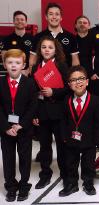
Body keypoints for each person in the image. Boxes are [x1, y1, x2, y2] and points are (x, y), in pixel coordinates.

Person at [31, 36, 69, 190]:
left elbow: (69, 89)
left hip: (59, 112)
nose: (47, 50)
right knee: (44, 147)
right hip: (42, 113)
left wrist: (54, 92)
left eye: (50, 47)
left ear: (56, 50)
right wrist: (34, 114)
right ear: (40, 50)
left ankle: (66, 176)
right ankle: (45, 175)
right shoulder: (35, 68)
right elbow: (33, 93)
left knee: (62, 146)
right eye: (44, 47)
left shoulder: (61, 66)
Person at [59, 66, 99, 197]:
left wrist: (97, 140)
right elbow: (63, 120)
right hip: (71, 139)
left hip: (89, 140)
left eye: (81, 78)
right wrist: (64, 137)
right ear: (69, 84)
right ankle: (72, 184)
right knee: (70, 163)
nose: (78, 82)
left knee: (88, 163)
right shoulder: (66, 101)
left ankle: (88, 183)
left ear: (87, 81)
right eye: (73, 80)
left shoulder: (95, 100)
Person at [0, 49, 37, 202]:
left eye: (17, 63)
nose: (13, 66)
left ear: (23, 65)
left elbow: (33, 106)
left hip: (24, 129)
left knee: (25, 158)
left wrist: (21, 124)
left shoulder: (29, 83)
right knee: (8, 159)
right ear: (4, 64)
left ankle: (23, 186)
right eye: (10, 62)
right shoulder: (0, 83)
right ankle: (10, 186)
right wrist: (6, 127)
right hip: (6, 129)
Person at [29, 2, 79, 68]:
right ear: (46, 17)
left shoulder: (71, 37)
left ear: (61, 17)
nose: (54, 17)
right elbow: (32, 60)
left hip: (65, 76)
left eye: (57, 14)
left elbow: (75, 61)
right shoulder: (38, 37)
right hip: (44, 77)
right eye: (51, 14)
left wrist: (73, 76)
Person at [1, 11, 34, 76]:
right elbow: (4, 58)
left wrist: (27, 71)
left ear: (26, 23)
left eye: (22, 19)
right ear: (14, 22)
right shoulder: (7, 39)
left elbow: (35, 58)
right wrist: (14, 72)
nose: (19, 21)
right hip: (12, 74)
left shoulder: (33, 39)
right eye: (17, 19)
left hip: (28, 74)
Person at [75, 15, 93, 80]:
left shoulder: (95, 41)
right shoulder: (72, 41)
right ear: (76, 25)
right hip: (77, 76)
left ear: (89, 26)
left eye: (85, 23)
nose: (82, 24)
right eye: (80, 22)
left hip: (93, 76)